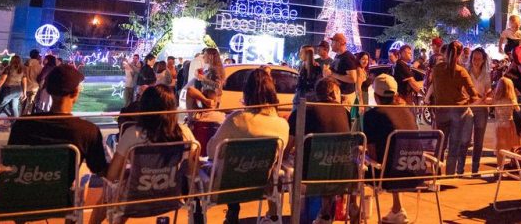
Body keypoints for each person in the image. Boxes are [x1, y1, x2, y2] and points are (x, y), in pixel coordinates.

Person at [88, 84, 197, 224]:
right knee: (128, 185)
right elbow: (193, 170)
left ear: (143, 107)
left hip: (135, 199)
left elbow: (112, 176)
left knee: (111, 192)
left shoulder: (133, 134)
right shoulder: (184, 132)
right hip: (169, 197)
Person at [207, 68, 288, 224]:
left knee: (228, 165)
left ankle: (232, 212)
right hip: (262, 185)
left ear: (246, 92)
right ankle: (271, 214)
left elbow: (212, 151)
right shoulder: (282, 125)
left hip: (228, 186)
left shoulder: (237, 120)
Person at [8, 64, 108, 177]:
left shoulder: (22, 124)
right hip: (62, 194)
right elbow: (101, 170)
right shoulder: (88, 131)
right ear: (75, 93)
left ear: (49, 91)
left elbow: (9, 165)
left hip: (23, 192)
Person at [286, 78, 350, 224]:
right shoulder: (345, 112)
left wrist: (285, 157)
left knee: (288, 167)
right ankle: (325, 213)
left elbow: (289, 145)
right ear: (334, 93)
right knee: (327, 162)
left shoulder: (304, 111)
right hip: (341, 172)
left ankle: (293, 215)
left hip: (310, 174)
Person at [362, 74, 417, 224]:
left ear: (376, 95)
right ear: (395, 93)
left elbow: (372, 154)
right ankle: (397, 209)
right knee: (394, 156)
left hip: (387, 174)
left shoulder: (371, 116)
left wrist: (363, 155)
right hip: (415, 171)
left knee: (358, 162)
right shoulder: (408, 112)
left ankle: (356, 211)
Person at [429, 41, 477, 175]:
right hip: (458, 110)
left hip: (441, 110)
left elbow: (436, 89)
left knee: (440, 145)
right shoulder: (461, 71)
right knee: (454, 145)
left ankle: (436, 174)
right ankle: (449, 174)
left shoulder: (437, 69)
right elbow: (473, 93)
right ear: (461, 53)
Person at [467, 47, 492, 175]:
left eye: (479, 59)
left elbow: (488, 89)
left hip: (482, 108)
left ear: (483, 60)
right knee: (465, 139)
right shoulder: (466, 72)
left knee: (479, 139)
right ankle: (460, 167)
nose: (476, 61)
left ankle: (475, 168)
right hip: (468, 107)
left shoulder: (486, 74)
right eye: (474, 58)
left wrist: (487, 95)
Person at [492, 76, 520, 170]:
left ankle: (499, 166)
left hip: (499, 124)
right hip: (509, 123)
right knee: (512, 146)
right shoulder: (511, 99)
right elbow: (518, 109)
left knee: (500, 147)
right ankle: (515, 165)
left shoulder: (496, 99)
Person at [327, 33, 361, 107]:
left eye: (332, 42)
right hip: (338, 94)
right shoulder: (338, 56)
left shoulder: (348, 57)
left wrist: (332, 74)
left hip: (345, 97)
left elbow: (353, 78)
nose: (331, 44)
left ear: (339, 43)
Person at [23, 49, 43, 115]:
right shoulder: (39, 67)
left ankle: (20, 119)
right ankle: (28, 120)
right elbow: (41, 79)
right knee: (30, 106)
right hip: (34, 87)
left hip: (24, 87)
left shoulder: (24, 65)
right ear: (37, 56)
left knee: (22, 105)